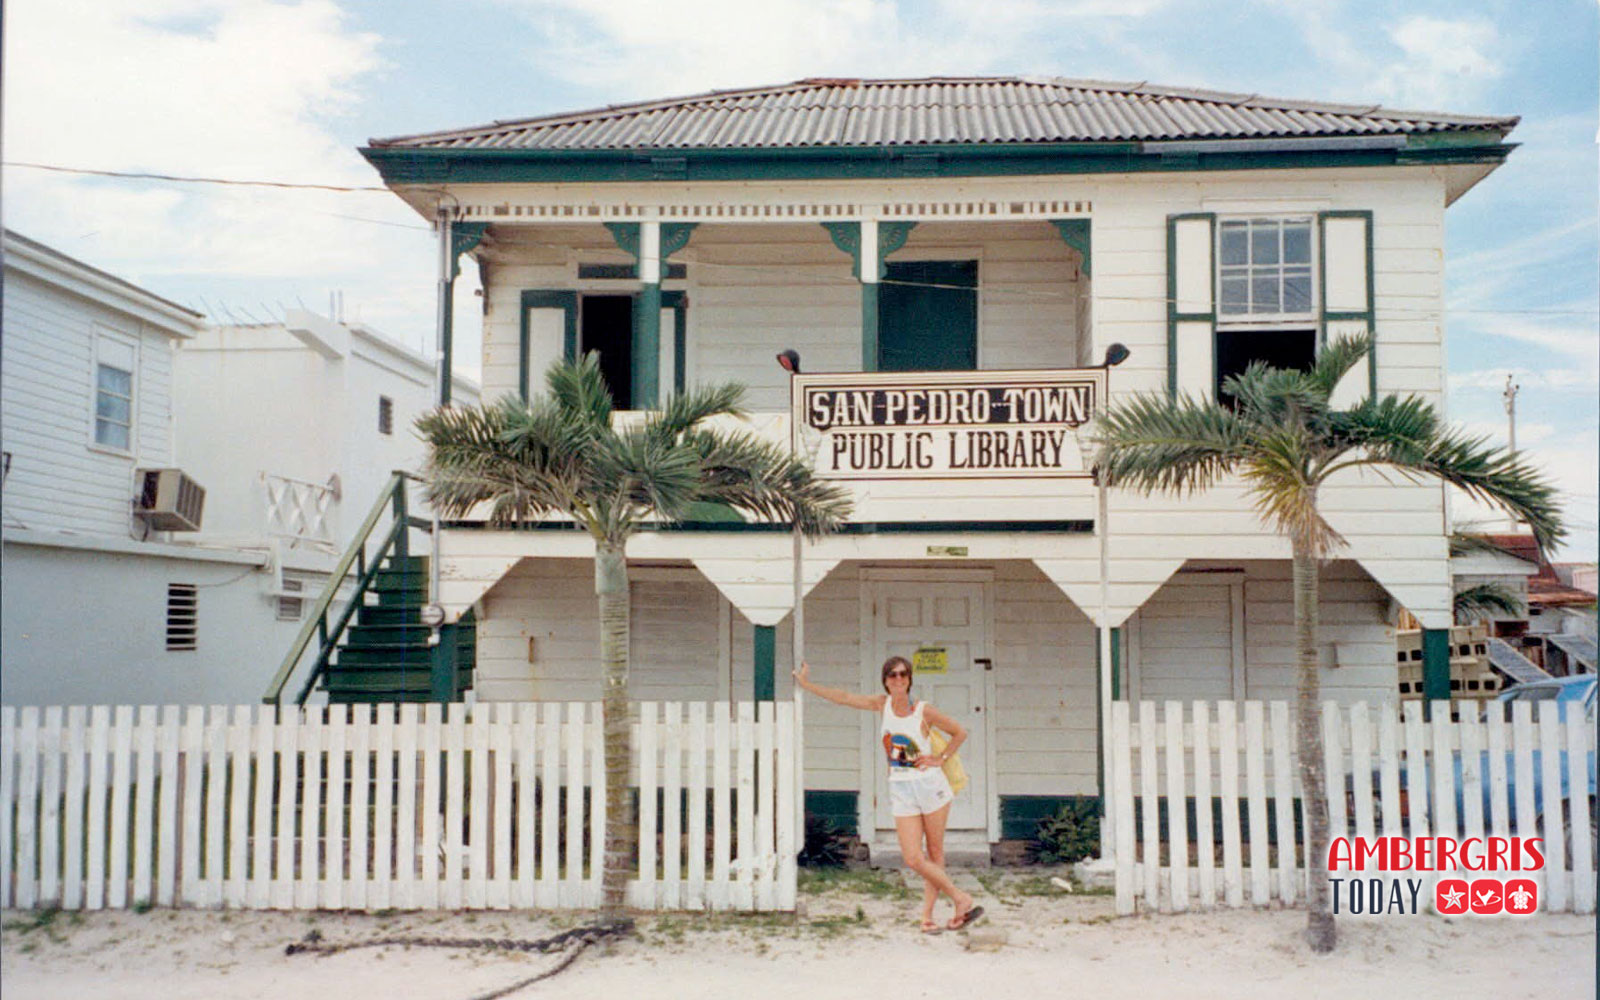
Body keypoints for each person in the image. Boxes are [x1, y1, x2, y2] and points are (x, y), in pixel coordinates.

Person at [793, 657, 984, 933]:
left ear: (909, 679)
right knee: (912, 857)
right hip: (901, 789)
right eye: (892, 675)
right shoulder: (881, 705)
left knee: (934, 852)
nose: (898, 679)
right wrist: (808, 685)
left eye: (903, 674)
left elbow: (959, 732)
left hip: (931, 786)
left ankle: (928, 918)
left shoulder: (923, 710)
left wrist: (939, 759)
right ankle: (960, 898)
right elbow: (844, 697)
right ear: (885, 680)